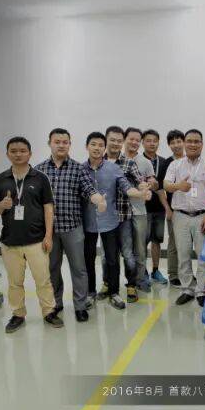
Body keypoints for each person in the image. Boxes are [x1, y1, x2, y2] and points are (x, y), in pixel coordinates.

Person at [34, 128, 109, 323]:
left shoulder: (78, 169)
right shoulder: (39, 170)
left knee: (79, 268)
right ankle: (56, 303)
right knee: (52, 268)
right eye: (57, 141)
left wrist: (99, 200)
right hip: (48, 230)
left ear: (69, 144)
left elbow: (89, 190)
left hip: (73, 228)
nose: (61, 145)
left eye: (65, 142)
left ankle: (80, 306)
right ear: (49, 143)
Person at [0, 137, 64, 332]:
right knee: (14, 283)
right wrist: (1, 205)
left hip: (36, 241)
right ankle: (18, 314)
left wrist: (48, 236)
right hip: (10, 242)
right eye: (13, 151)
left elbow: (48, 208)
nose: (18, 154)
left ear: (30, 153)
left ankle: (49, 312)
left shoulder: (40, 178)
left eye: (22, 150)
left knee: (43, 280)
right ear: (7, 154)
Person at [82, 132, 144, 310]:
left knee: (112, 258)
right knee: (88, 259)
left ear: (104, 148)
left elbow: (126, 188)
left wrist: (140, 193)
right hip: (88, 222)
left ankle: (114, 293)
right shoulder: (80, 169)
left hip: (110, 221)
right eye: (93, 144)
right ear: (87, 146)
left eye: (100, 145)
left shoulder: (114, 168)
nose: (97, 148)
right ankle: (90, 293)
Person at [163, 129, 205, 307]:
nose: (193, 144)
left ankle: (201, 291)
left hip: (202, 216)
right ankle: (188, 289)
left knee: (203, 256)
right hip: (180, 216)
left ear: (202, 144)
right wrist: (178, 186)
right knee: (183, 254)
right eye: (189, 141)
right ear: (184, 143)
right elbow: (166, 185)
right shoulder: (175, 165)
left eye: (197, 141)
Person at [103, 126, 151, 303]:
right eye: (112, 140)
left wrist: (144, 188)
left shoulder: (128, 163)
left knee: (128, 254)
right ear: (106, 140)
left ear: (121, 142)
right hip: (104, 218)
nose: (115, 143)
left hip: (124, 216)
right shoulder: (99, 162)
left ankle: (131, 285)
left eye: (118, 140)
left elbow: (140, 181)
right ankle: (107, 284)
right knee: (106, 256)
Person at [124, 127, 158, 294]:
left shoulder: (145, 162)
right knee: (121, 250)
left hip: (139, 211)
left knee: (140, 249)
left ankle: (140, 280)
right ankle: (119, 281)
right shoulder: (117, 160)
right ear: (125, 139)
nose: (134, 142)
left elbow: (153, 183)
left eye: (137, 140)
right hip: (120, 212)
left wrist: (151, 184)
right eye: (131, 139)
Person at [142, 129, 172, 285]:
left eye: (155, 141)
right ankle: (143, 272)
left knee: (157, 241)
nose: (152, 143)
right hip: (142, 209)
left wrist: (167, 208)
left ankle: (155, 270)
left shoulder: (164, 161)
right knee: (142, 242)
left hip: (159, 208)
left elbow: (164, 186)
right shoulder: (137, 160)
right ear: (143, 142)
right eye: (148, 140)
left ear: (158, 143)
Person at [163, 130, 186, 287]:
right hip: (174, 210)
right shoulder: (167, 163)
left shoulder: (191, 161)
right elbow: (161, 189)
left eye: (179, 141)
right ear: (169, 145)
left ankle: (186, 274)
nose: (176, 145)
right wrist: (167, 209)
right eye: (173, 142)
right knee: (174, 243)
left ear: (184, 142)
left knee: (186, 245)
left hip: (190, 210)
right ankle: (173, 274)